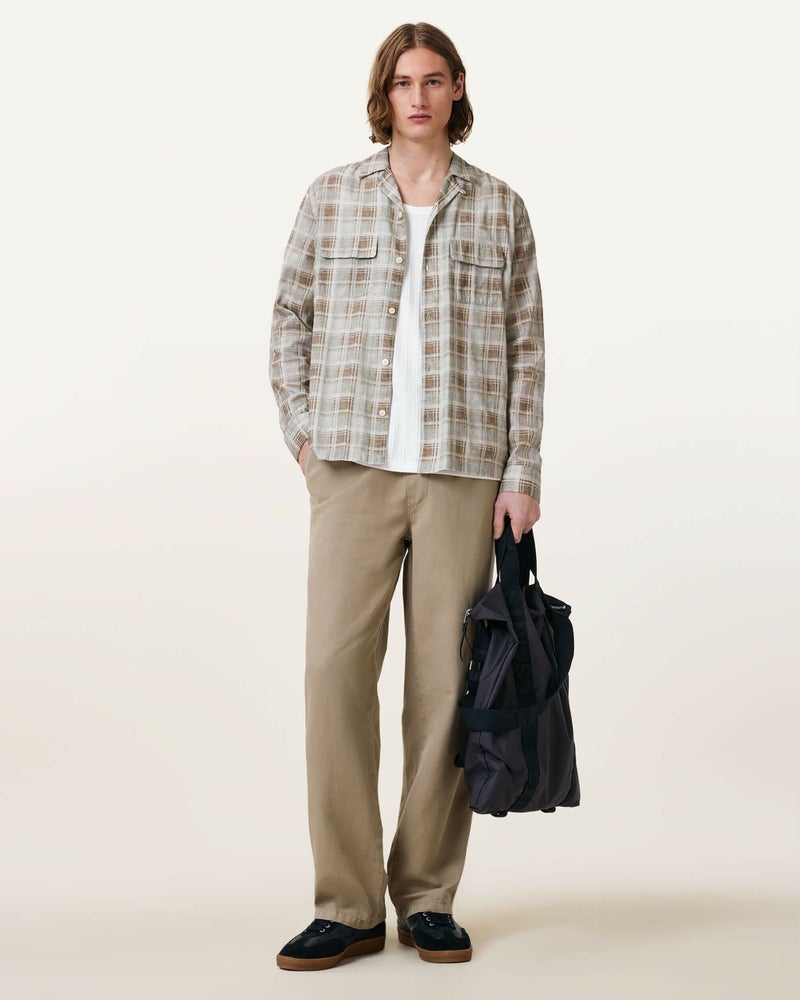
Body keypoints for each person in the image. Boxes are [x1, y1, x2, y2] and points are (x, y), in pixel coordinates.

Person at [269, 21, 544, 971]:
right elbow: (290, 315)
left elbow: (527, 349)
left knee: (445, 686)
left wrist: (521, 473)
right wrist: (304, 432)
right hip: (351, 466)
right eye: (401, 82)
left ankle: (427, 895)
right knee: (333, 676)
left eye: (432, 81)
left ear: (457, 89)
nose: (417, 97)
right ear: (382, 94)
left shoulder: (500, 208)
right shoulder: (333, 196)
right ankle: (346, 905)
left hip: (463, 471)